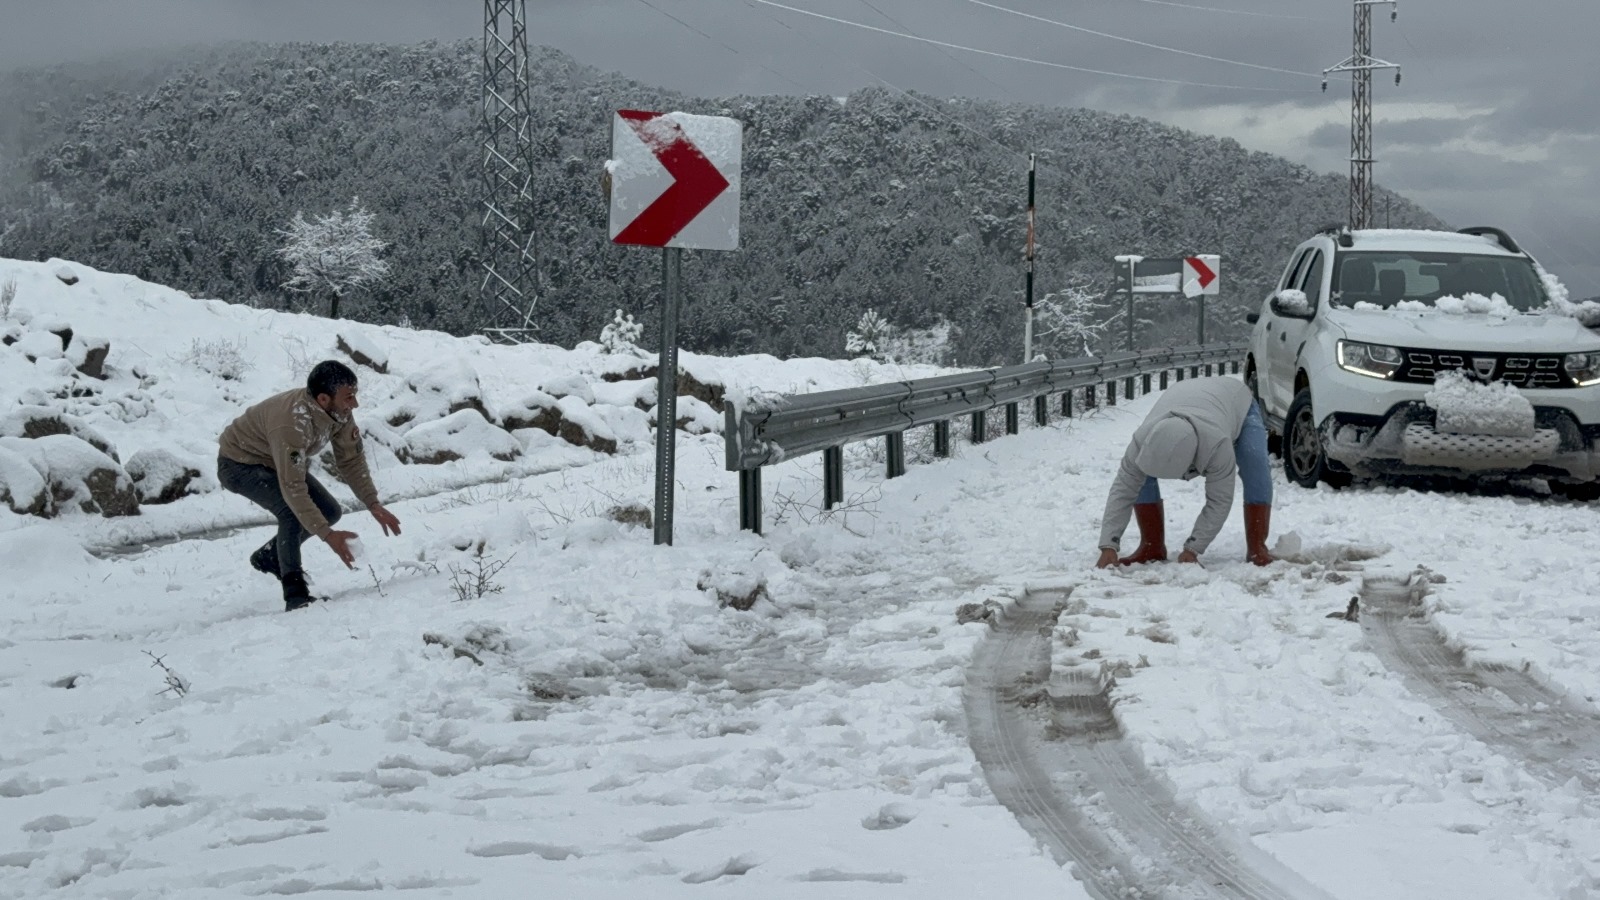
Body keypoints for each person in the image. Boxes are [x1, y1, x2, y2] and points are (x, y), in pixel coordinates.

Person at [217, 360, 402, 610]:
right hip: (239, 464)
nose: (354, 404)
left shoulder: (340, 412)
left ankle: (271, 556)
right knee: (291, 514)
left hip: (274, 459)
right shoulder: (292, 423)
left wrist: (372, 503)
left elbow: (351, 460)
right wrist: (328, 536)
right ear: (324, 399)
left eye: (354, 396)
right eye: (349, 397)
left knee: (330, 511)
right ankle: (296, 595)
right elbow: (293, 487)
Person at [1094, 376, 1272, 569]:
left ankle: (1257, 548)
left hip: (1237, 401)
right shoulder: (1141, 442)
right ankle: (1151, 546)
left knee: (1255, 464)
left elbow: (1219, 500)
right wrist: (1108, 546)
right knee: (1140, 477)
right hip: (1186, 397)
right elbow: (1123, 491)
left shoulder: (1217, 445)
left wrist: (1193, 548)